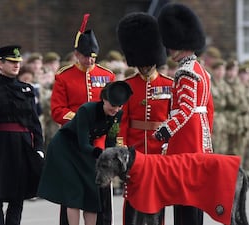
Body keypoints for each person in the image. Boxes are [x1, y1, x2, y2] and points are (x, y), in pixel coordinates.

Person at [50, 13, 116, 225]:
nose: (90, 60)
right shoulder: (64, 76)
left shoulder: (107, 76)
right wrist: (81, 121)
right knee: (72, 193)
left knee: (100, 191)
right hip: (73, 142)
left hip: (99, 142)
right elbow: (57, 110)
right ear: (77, 54)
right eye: (86, 56)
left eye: (94, 56)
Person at [38, 81, 133, 225]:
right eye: (113, 105)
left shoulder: (117, 114)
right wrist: (102, 155)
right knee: (74, 193)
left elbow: (111, 140)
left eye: (120, 106)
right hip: (65, 148)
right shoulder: (87, 110)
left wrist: (113, 156)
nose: (116, 109)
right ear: (104, 100)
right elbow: (83, 144)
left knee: (92, 192)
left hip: (87, 149)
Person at [156, 3, 214, 225]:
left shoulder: (185, 72)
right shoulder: (201, 70)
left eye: (172, 46)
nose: (169, 50)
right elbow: (208, 109)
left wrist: (166, 130)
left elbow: (186, 108)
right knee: (193, 194)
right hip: (199, 135)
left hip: (186, 138)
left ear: (181, 44)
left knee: (184, 194)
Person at [0, 45, 45, 225]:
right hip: (1, 146)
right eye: (12, 62)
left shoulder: (27, 90)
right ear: (0, 64)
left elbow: (34, 122)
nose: (16, 65)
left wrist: (38, 147)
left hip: (23, 146)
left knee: (18, 196)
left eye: (18, 62)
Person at [116, 12, 172, 225]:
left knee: (158, 195)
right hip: (136, 148)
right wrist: (122, 147)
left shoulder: (169, 84)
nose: (144, 68)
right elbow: (122, 120)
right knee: (133, 193)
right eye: (141, 64)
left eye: (147, 64)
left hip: (160, 148)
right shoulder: (129, 86)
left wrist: (169, 145)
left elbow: (172, 118)